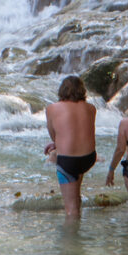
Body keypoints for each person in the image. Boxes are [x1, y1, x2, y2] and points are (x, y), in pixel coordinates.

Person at [45, 75, 97, 217]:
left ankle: (72, 238)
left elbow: (54, 135)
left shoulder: (51, 109)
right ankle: (77, 225)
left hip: (69, 160)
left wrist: (55, 144)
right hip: (88, 158)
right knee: (76, 195)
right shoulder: (91, 108)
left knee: (70, 209)